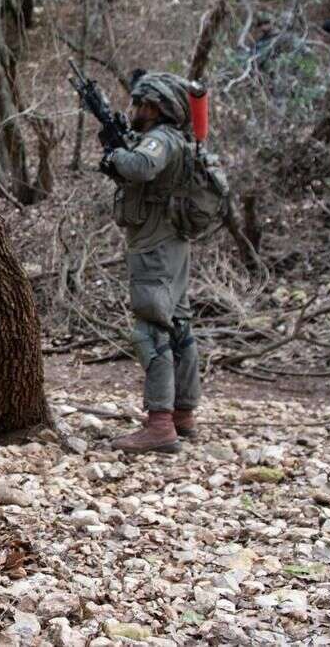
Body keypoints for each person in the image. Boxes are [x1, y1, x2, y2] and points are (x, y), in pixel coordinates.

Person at [98, 72, 202, 455]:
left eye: (140, 104)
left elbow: (140, 167)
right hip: (173, 243)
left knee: (152, 329)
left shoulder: (160, 139)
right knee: (179, 326)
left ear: (155, 106)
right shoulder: (179, 140)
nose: (135, 110)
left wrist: (113, 156)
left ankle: (159, 425)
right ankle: (183, 414)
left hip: (155, 246)